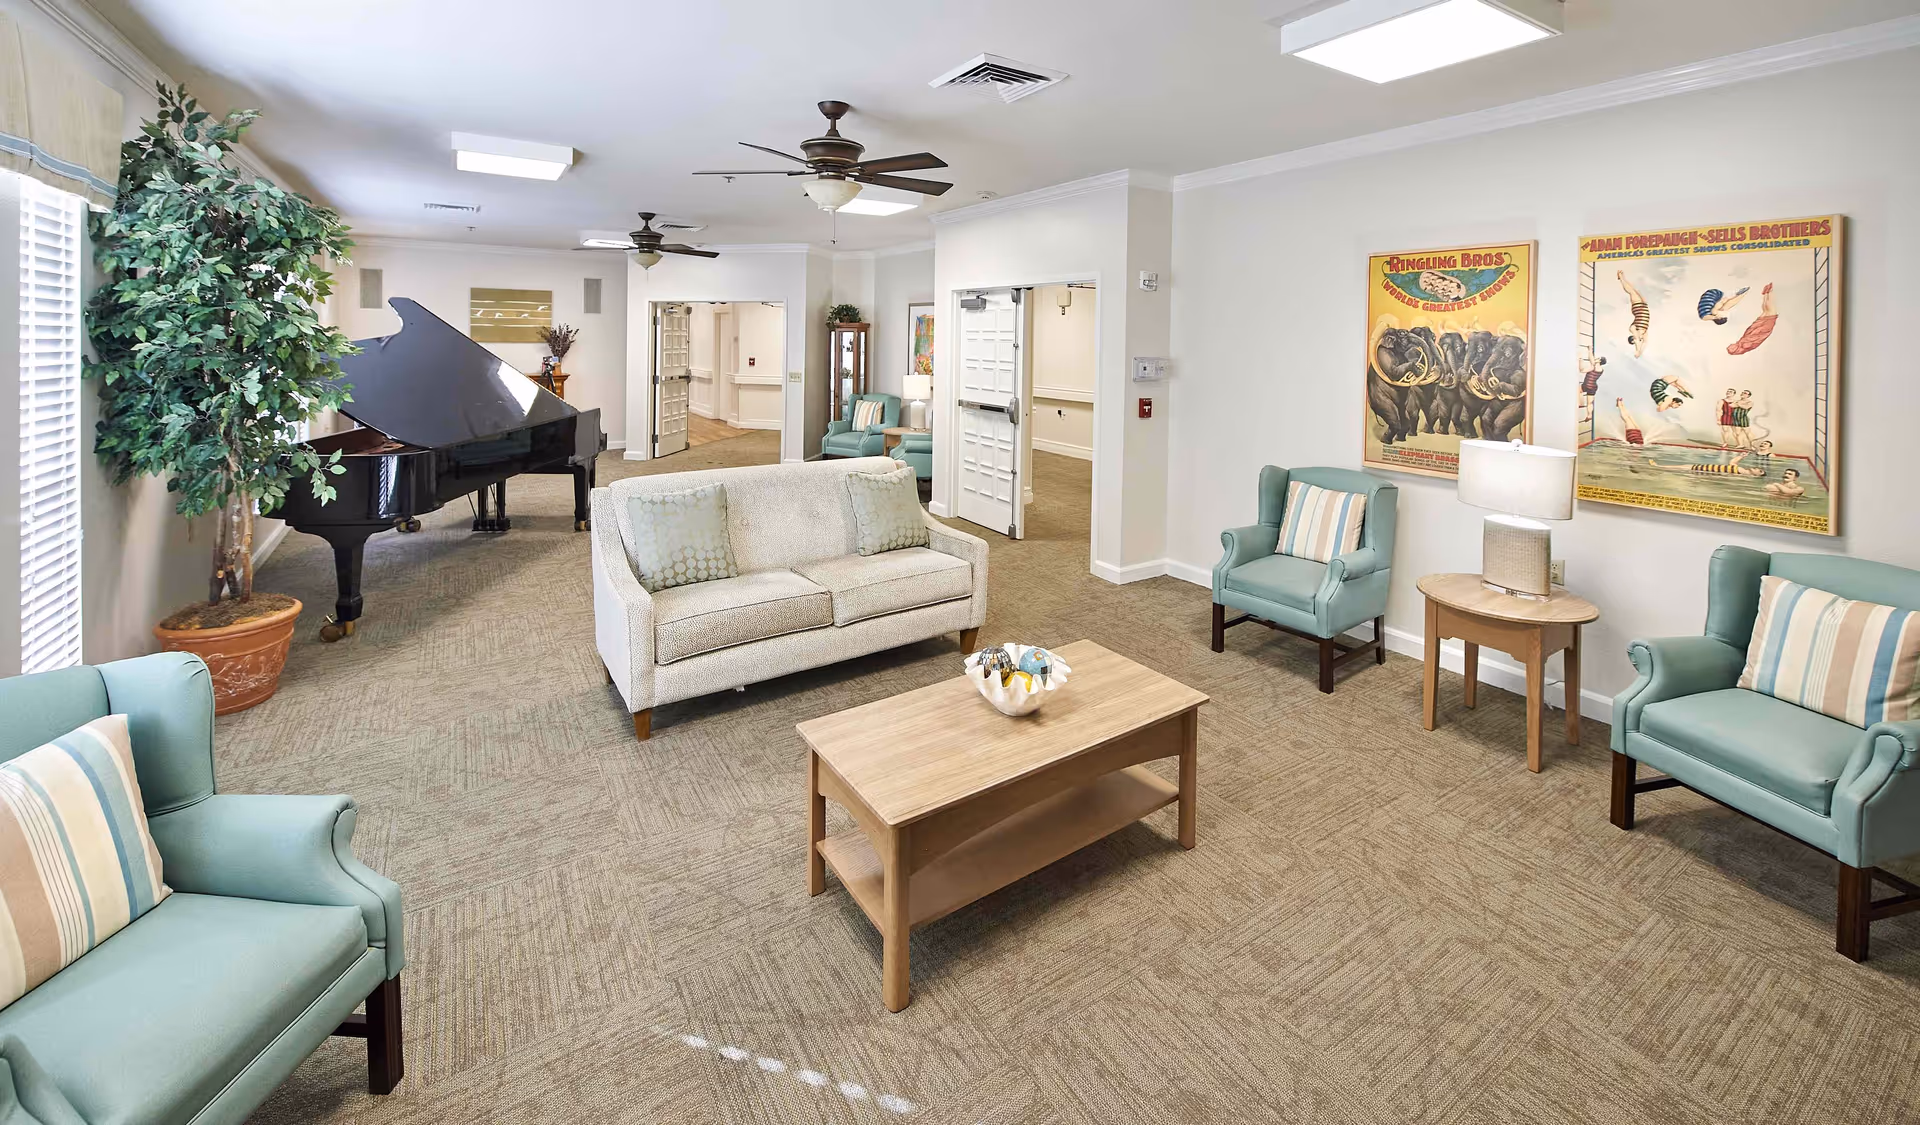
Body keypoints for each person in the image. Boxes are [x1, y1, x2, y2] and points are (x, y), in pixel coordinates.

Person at [1650, 440, 1775, 476]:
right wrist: (1741, 456)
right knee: (1682, 467)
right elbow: (1732, 463)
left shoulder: (1743, 475)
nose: (1757, 468)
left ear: (1756, 475)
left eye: (1759, 471)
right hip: (1705, 468)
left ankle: (1658, 467)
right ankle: (1659, 467)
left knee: (1682, 468)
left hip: (1705, 471)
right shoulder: (1742, 470)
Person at [1728, 283, 1779, 356]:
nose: (1731, 345)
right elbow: (1754, 336)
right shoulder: (1744, 344)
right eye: (1731, 347)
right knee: (1768, 310)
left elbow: (1752, 335)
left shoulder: (1742, 344)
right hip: (1761, 328)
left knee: (1766, 310)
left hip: (1760, 327)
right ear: (1735, 349)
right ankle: (1768, 292)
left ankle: (1767, 292)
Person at [1618, 271, 1651, 357]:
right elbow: (1645, 343)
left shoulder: (1633, 329)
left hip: (1639, 308)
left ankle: (1621, 278)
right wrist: (1640, 352)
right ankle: (1622, 278)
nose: (1639, 340)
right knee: (1633, 290)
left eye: (1634, 340)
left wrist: (1637, 351)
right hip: (1644, 307)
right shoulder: (1644, 332)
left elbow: (1637, 340)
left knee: (1632, 291)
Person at [1579, 355, 1607, 422]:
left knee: (1578, 391)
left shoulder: (1593, 367)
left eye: (1598, 358)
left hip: (1587, 384)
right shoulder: (1601, 369)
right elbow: (1591, 359)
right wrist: (1590, 351)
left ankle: (1581, 403)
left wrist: (1580, 361)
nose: (1596, 358)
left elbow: (1582, 370)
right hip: (1593, 387)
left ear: (1599, 361)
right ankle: (1589, 415)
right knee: (1590, 403)